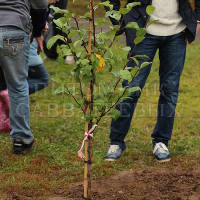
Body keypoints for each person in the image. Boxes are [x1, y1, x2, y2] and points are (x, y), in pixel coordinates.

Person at [104, 0, 200, 162]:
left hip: (177, 33)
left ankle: (161, 141)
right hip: (142, 32)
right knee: (131, 88)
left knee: (169, 90)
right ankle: (116, 141)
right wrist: (116, 16)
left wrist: (198, 16)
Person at [0, 0, 48, 154]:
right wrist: (38, 30)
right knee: (18, 86)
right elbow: (40, 5)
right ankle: (21, 139)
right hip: (14, 28)